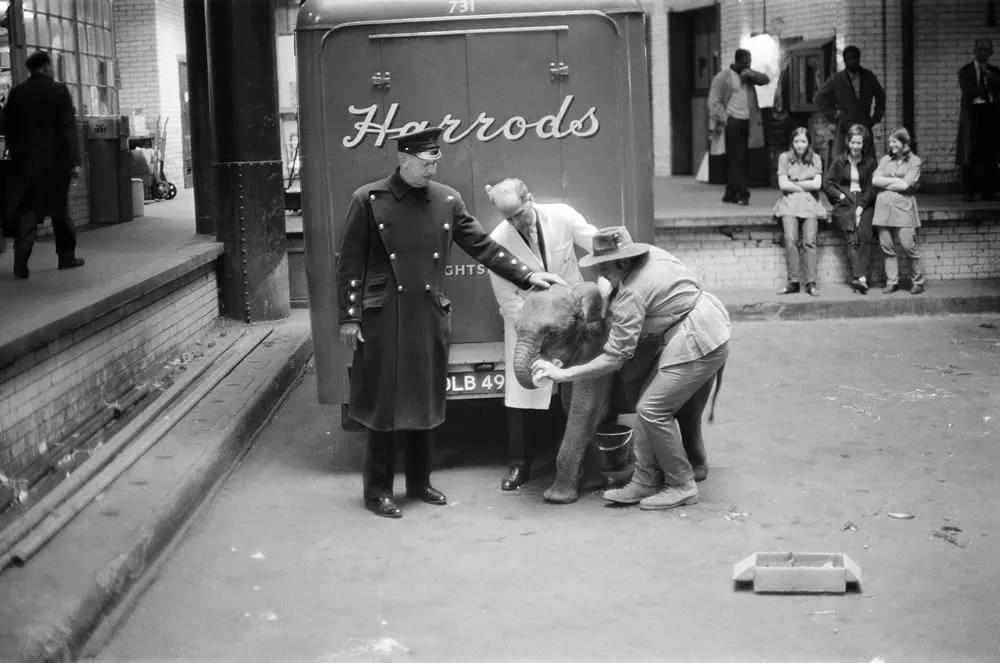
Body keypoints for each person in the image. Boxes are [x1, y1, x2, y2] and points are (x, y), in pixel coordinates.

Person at [336, 127, 565, 518]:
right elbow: (350, 261)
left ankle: (420, 482)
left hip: (427, 311)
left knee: (426, 399)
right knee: (384, 404)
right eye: (426, 163)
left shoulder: (446, 199)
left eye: (436, 161)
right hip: (385, 314)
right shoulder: (369, 199)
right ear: (404, 159)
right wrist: (349, 317)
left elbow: (483, 246)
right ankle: (377, 491)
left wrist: (527, 276)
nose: (433, 169)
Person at [530, 227, 731, 511]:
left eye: (605, 266)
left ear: (624, 262)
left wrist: (564, 374)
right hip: (704, 318)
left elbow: (614, 358)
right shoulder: (654, 255)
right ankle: (646, 480)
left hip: (697, 338)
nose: (600, 272)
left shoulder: (631, 295)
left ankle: (681, 485)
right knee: (647, 409)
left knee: (652, 410)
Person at [484, 178, 599, 491]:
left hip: (571, 320)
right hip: (529, 321)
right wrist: (534, 326)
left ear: (530, 199)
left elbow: (595, 242)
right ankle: (519, 464)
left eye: (519, 213)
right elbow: (507, 298)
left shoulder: (562, 214)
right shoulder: (497, 238)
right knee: (521, 390)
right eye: (507, 218)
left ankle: (575, 457)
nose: (515, 222)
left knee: (576, 386)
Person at [1, 50, 84, 279]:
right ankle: (66, 257)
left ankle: (21, 262)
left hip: (26, 165)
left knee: (28, 212)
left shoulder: (18, 93)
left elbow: (6, 124)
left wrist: (16, 151)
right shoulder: (59, 91)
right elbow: (68, 128)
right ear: (46, 67)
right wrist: (75, 161)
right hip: (56, 164)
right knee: (60, 210)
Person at [708, 49, 770, 206]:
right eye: (745, 62)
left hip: (748, 122)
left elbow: (765, 79)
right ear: (737, 61)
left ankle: (730, 192)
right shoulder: (724, 77)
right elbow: (713, 101)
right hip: (732, 121)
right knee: (737, 158)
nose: (747, 64)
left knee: (744, 158)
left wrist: (750, 74)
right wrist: (725, 118)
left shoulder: (748, 77)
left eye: (749, 62)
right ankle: (743, 193)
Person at [823, 124, 877, 294]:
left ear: (864, 144)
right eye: (853, 142)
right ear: (848, 142)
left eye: (859, 143)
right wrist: (840, 197)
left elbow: (871, 188)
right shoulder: (839, 161)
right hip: (845, 201)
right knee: (851, 236)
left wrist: (861, 207)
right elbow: (828, 183)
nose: (855, 146)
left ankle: (858, 278)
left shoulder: (870, 163)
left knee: (865, 235)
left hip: (864, 201)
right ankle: (861, 277)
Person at [773, 127, 827, 297]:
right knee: (790, 240)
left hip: (810, 205)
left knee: (810, 242)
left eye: (803, 141)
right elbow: (783, 185)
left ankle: (811, 282)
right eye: (796, 141)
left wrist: (794, 183)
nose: (800, 145)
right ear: (792, 142)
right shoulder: (784, 158)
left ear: (809, 142)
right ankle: (793, 281)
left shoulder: (816, 159)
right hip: (789, 204)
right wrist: (806, 183)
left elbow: (817, 185)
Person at [872, 127, 924, 295]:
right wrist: (896, 180)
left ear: (904, 143)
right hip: (883, 209)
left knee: (908, 245)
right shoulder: (885, 159)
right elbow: (875, 180)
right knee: (887, 247)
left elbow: (906, 185)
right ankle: (892, 281)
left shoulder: (915, 161)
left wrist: (887, 182)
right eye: (890, 142)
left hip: (903, 208)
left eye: (894, 141)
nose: (891, 145)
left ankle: (918, 281)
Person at [815, 46, 886, 160]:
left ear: (859, 58)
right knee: (842, 160)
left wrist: (876, 117)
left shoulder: (868, 76)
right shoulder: (837, 79)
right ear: (845, 60)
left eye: (855, 58)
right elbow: (820, 97)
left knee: (867, 160)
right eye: (849, 58)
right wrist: (834, 114)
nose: (853, 61)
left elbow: (881, 95)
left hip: (864, 124)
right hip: (845, 125)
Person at [956, 39, 1000, 202]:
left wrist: (991, 79)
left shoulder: (994, 71)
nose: (983, 53)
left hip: (990, 116)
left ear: (991, 53)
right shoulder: (966, 71)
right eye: (980, 49)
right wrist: (988, 87)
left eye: (986, 50)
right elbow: (968, 92)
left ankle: (989, 191)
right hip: (972, 117)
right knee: (970, 155)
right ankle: (969, 191)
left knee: (990, 154)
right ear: (975, 51)